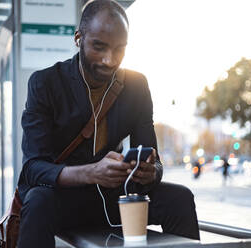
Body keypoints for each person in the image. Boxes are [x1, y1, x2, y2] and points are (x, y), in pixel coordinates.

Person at [16, 1, 200, 247]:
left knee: (179, 198)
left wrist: (149, 171)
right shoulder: (45, 83)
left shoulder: (136, 85)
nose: (109, 60)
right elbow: (33, 168)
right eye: (99, 46)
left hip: (114, 199)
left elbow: (154, 161)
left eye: (119, 49)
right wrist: (92, 173)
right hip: (64, 201)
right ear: (78, 38)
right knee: (37, 201)